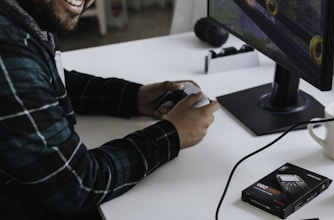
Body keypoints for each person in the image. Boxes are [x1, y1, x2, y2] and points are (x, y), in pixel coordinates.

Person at [0, 0, 220, 219]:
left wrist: (133, 97)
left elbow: (46, 80)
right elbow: (78, 186)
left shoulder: (22, 16)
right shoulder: (8, 53)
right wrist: (172, 134)